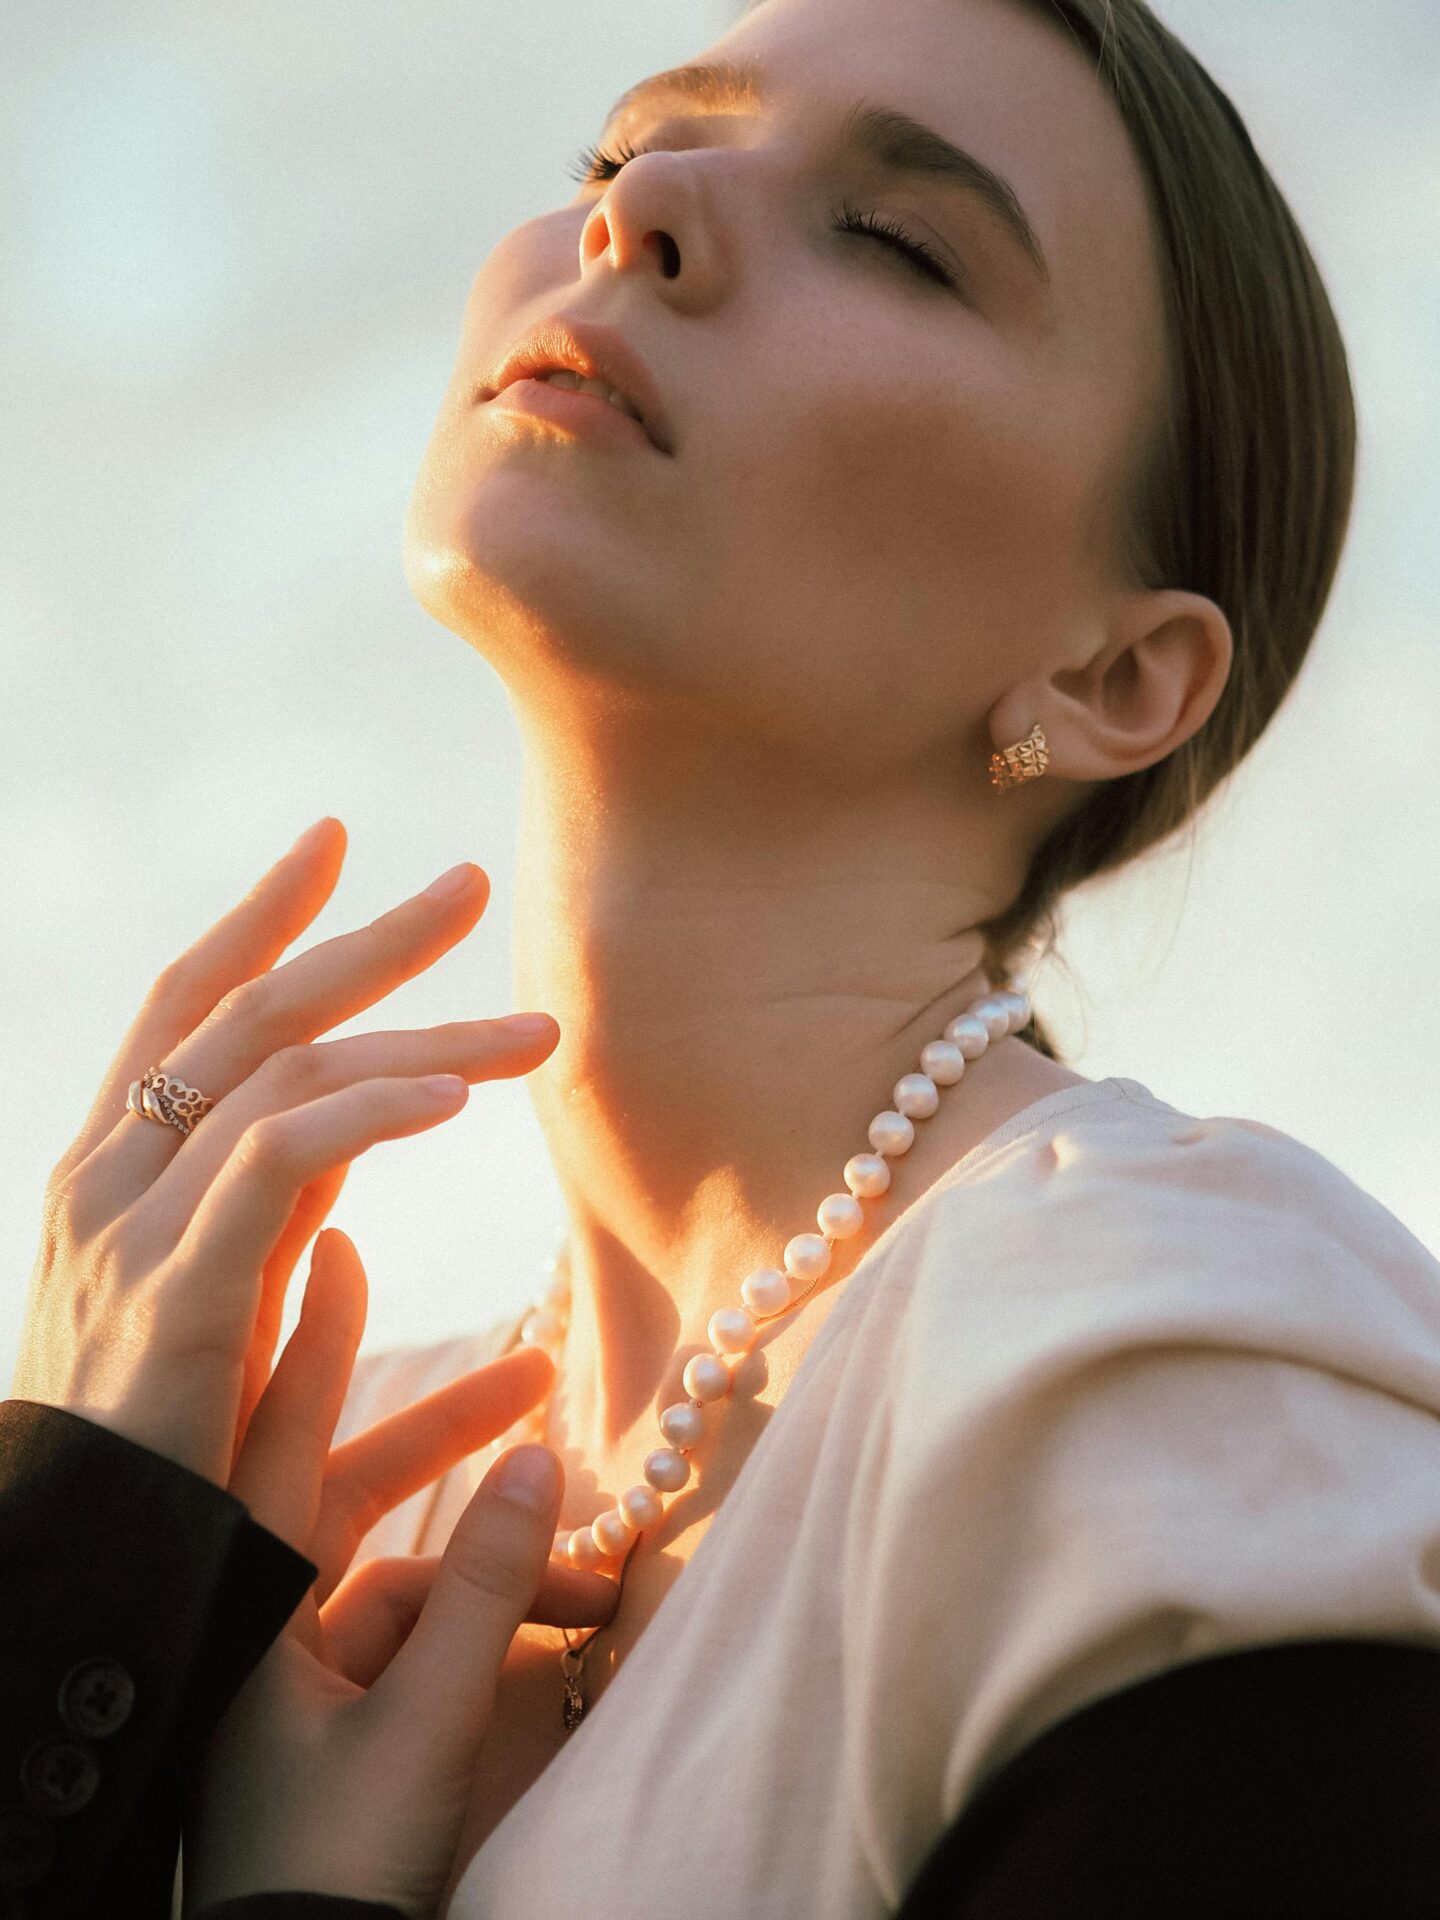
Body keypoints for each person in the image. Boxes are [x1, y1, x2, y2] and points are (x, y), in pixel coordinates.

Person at [8, 0, 1440, 1914]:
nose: (646, 210)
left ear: (1111, 681)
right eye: (617, 153)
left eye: (899, 239)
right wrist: (78, 1531)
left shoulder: (1181, 1381)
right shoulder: (282, 1497)